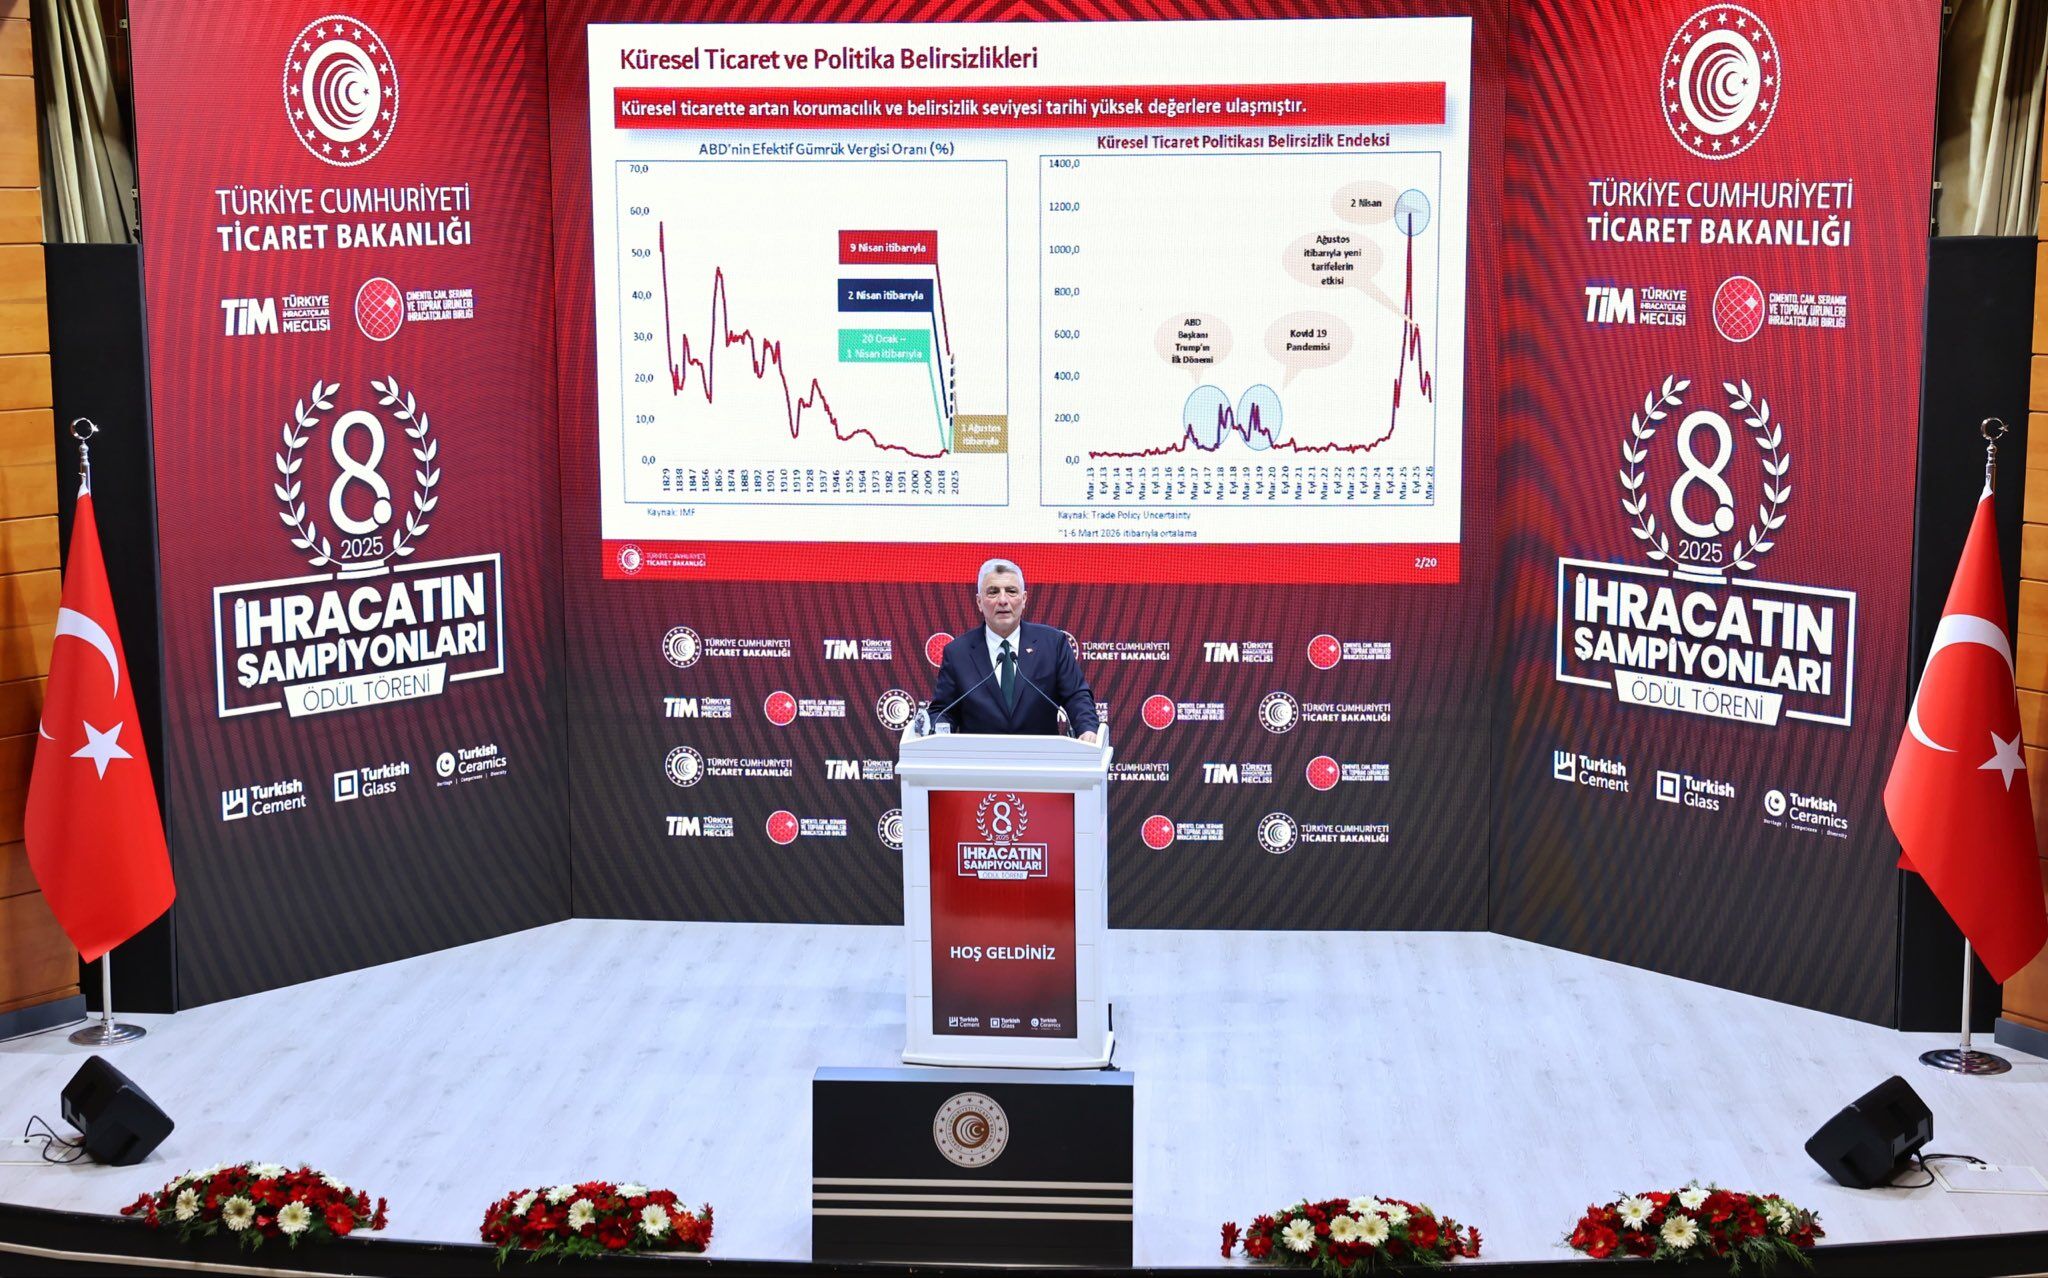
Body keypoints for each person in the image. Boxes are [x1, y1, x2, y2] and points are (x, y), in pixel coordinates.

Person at [929, 558, 1099, 741]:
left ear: (1024, 599)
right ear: (979, 602)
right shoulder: (958, 652)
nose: (1003, 600)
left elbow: (1076, 696)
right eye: (993, 592)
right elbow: (943, 711)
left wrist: (1087, 728)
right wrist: (939, 732)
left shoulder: (1052, 643)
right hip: (980, 757)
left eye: (1011, 591)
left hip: (1041, 755)